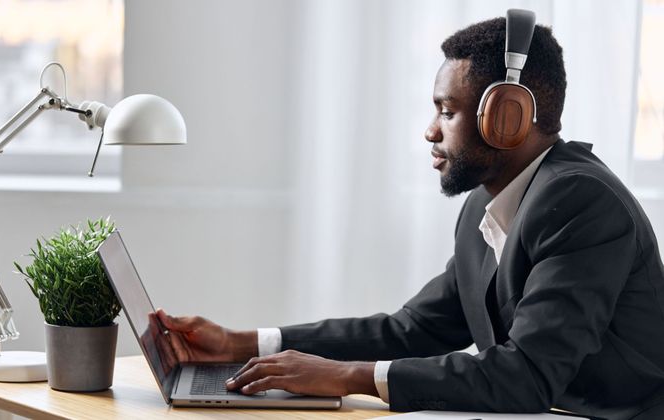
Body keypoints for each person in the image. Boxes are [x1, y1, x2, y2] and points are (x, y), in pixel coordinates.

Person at [158, 15, 664, 420]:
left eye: (446, 111)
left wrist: (348, 376)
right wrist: (240, 342)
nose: (429, 131)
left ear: (507, 117)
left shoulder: (579, 201)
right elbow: (412, 329)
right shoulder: (485, 206)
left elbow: (526, 376)